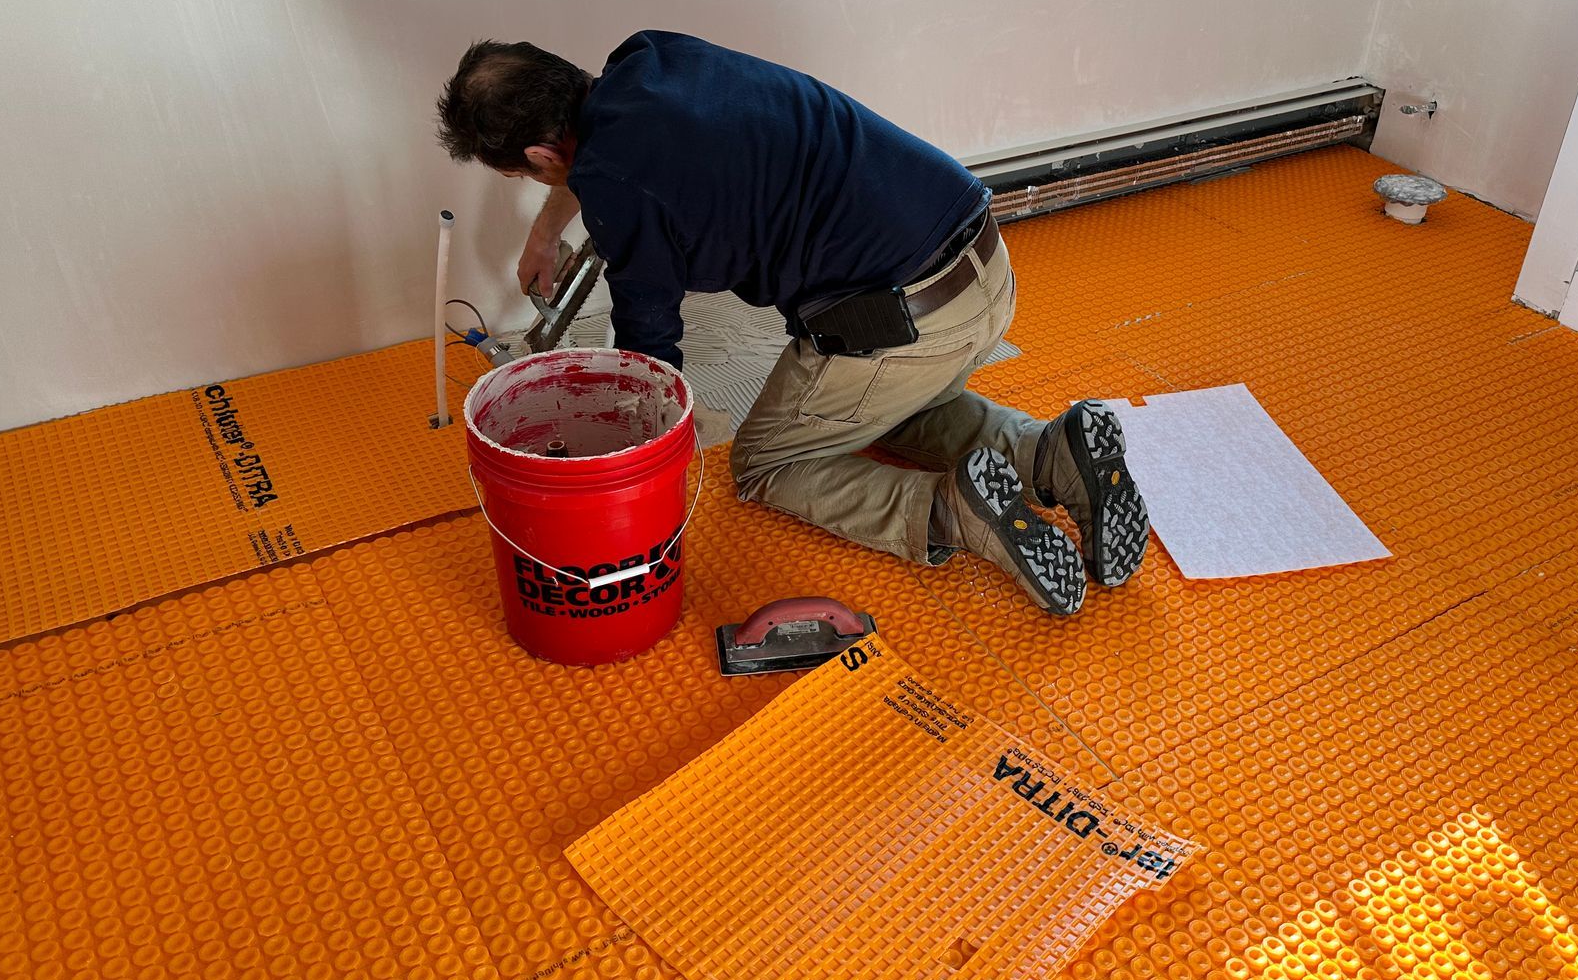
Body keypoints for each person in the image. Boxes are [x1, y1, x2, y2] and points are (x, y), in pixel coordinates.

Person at [435, 31, 1148, 614]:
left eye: (528, 178)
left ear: (540, 156)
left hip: (902, 319)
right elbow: (592, 166)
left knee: (768, 464)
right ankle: (1050, 454)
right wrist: (542, 233)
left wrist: (628, 467)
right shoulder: (647, 55)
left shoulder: (618, 187)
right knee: (879, 411)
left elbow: (652, 359)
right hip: (984, 265)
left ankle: (946, 511)